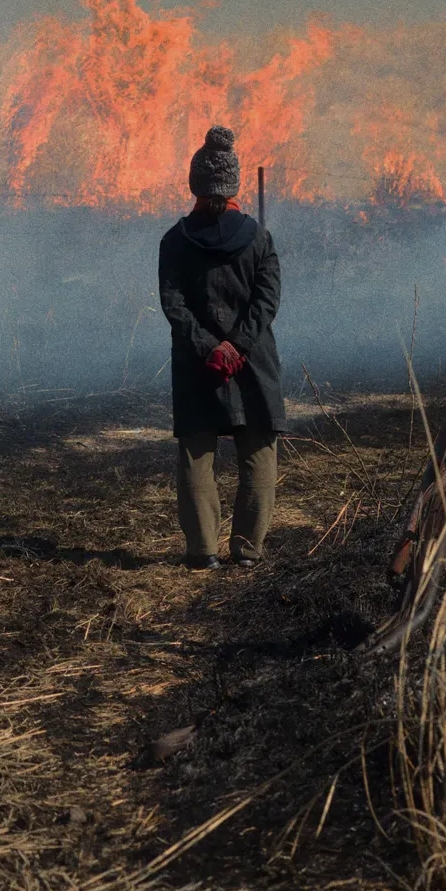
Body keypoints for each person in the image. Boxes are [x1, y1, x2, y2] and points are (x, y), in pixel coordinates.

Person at [157, 126, 286, 570]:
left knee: (197, 452)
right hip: (253, 361)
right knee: (258, 452)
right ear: (233, 187)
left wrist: (210, 347)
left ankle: (202, 552)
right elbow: (267, 301)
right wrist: (239, 345)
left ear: (196, 184)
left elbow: (173, 304)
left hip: (198, 364)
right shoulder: (258, 238)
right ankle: (248, 550)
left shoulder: (175, 241)